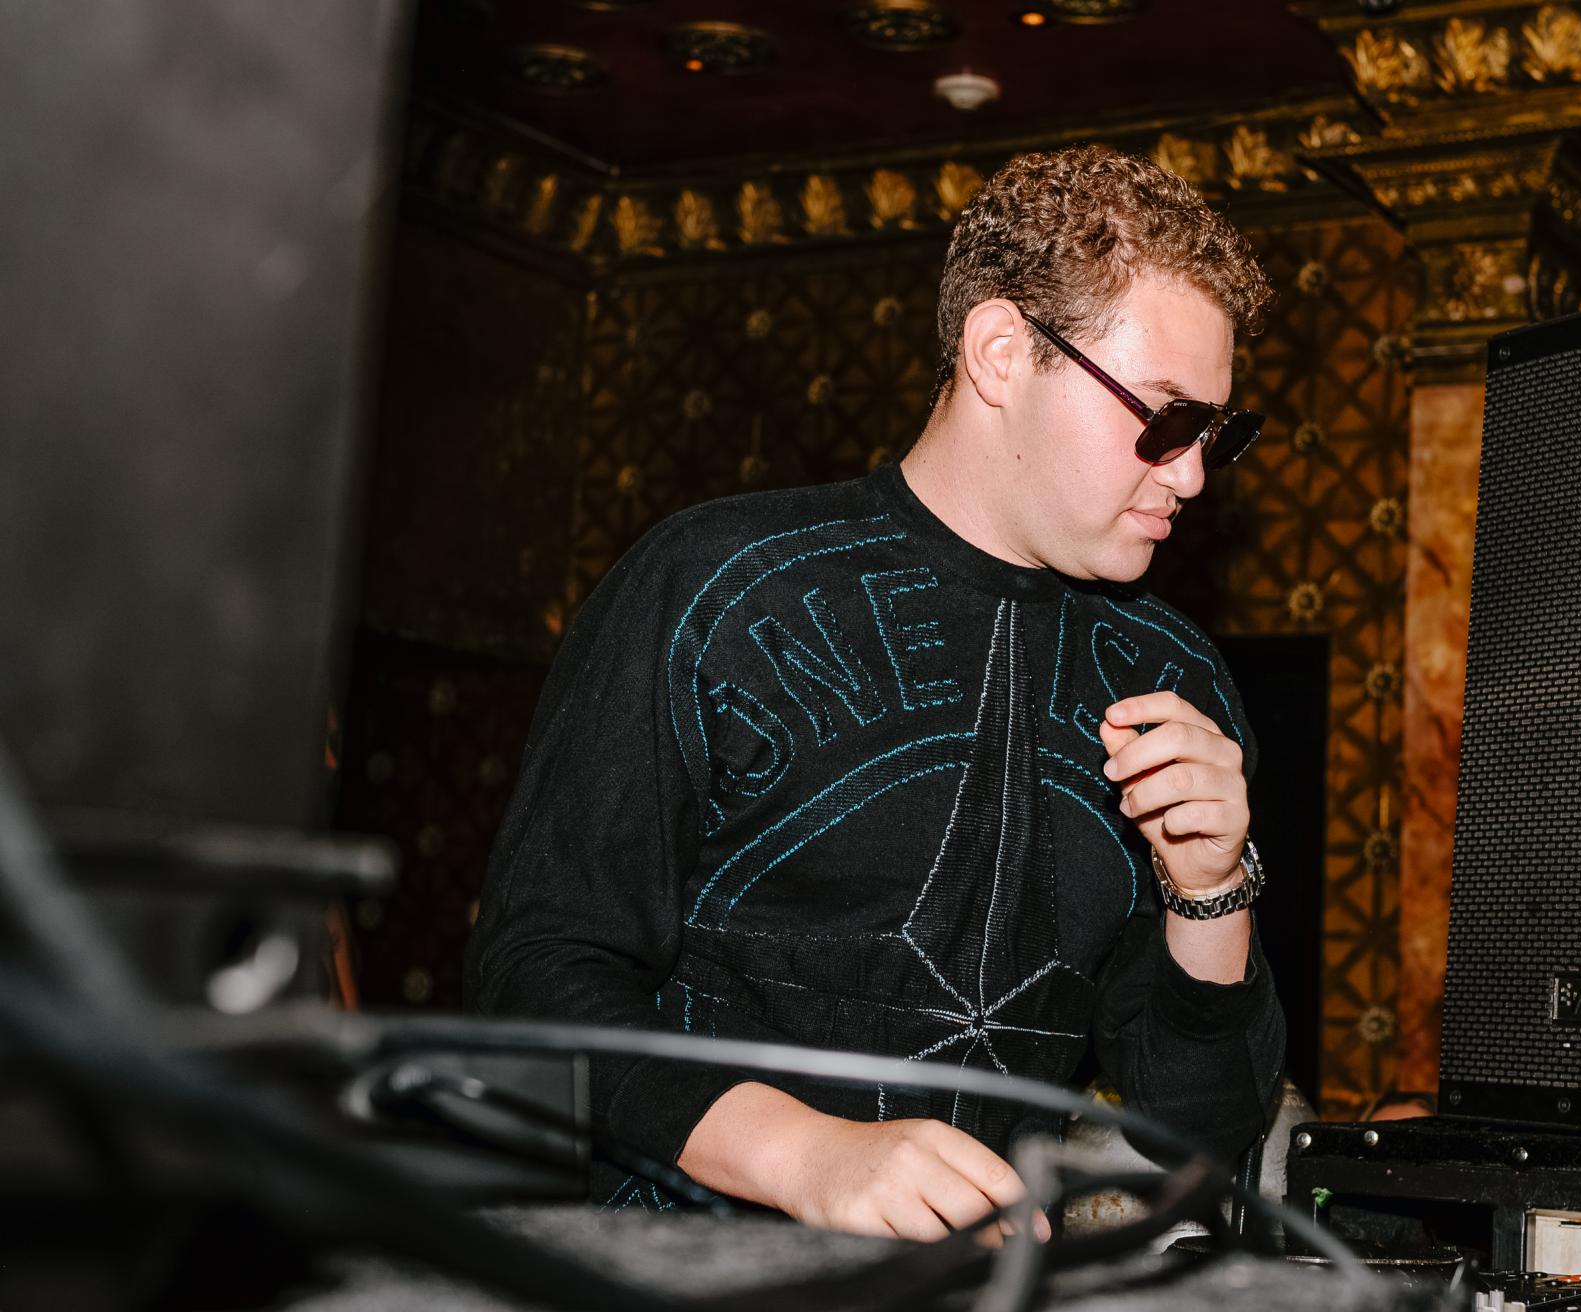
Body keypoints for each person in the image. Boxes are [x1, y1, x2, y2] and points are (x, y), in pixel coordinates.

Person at [465, 143, 1285, 1243]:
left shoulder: (1172, 675)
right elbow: (535, 972)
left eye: (1215, 434)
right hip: (673, 1274)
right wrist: (805, 1154)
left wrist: (1211, 889)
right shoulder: (713, 585)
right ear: (1002, 353)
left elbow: (1199, 1133)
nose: (1189, 472)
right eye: (1166, 418)